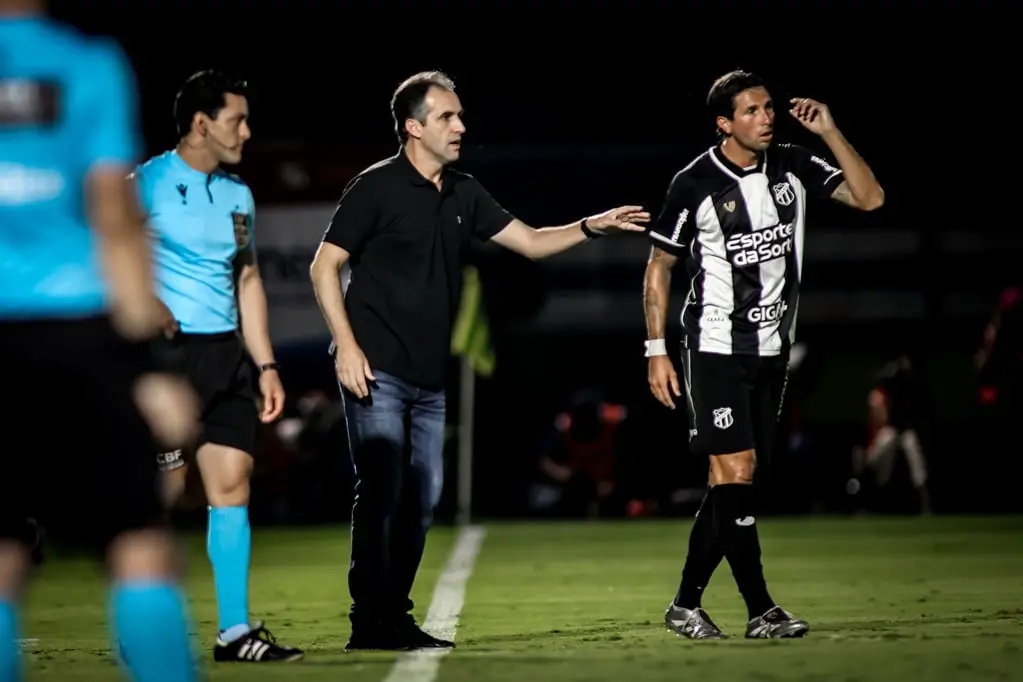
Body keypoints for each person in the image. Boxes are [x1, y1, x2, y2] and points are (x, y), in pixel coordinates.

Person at [309, 70, 649, 650]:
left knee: (421, 500)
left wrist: (593, 226)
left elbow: (534, 242)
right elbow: (324, 265)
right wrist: (347, 345)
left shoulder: (464, 191)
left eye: (460, 115)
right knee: (384, 488)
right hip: (376, 370)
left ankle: (393, 615)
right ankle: (369, 619)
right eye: (446, 116)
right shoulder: (375, 187)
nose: (460, 125)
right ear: (414, 127)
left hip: (428, 377)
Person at [0, 1, 203, 679]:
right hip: (76, 329)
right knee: (139, 545)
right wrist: (150, 363)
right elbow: (114, 218)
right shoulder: (87, 63)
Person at [643, 70, 884, 639]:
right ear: (725, 123)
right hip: (714, 348)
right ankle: (760, 610)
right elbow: (659, 266)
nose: (767, 117)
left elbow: (870, 198)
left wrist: (830, 131)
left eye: (769, 107)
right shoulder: (694, 182)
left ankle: (684, 605)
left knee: (736, 482)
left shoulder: (793, 166)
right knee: (736, 469)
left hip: (774, 351)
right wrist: (656, 350)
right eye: (751, 110)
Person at [132, 69, 303, 663]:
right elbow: (105, 251)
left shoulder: (238, 195)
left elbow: (248, 277)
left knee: (232, 484)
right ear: (201, 124)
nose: (248, 132)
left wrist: (267, 364)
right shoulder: (146, 183)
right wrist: (145, 301)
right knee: (165, 488)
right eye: (238, 120)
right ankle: (142, 624)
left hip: (227, 354)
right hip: (167, 361)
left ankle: (235, 633)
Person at [849, 354, 932, 514]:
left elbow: (911, 423)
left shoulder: (909, 396)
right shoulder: (877, 396)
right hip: (880, 441)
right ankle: (873, 497)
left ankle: (924, 499)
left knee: (910, 442)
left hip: (900, 435)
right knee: (888, 438)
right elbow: (877, 424)